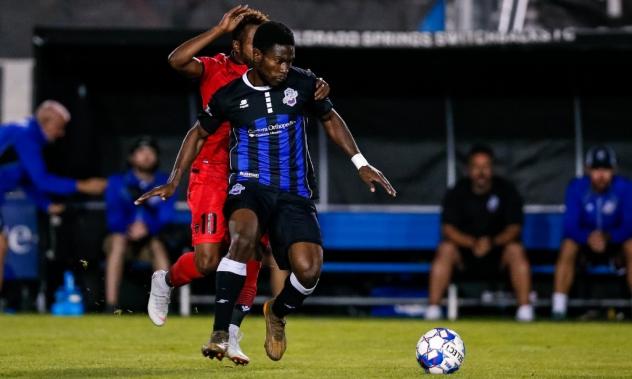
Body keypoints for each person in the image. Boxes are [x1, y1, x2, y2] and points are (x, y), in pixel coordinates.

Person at [137, 21, 395, 361]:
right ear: (254, 54)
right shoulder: (227, 90)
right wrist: (174, 178)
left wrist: (360, 161)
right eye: (279, 61)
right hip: (246, 185)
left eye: (290, 60)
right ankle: (220, 331)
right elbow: (197, 132)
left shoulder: (303, 83)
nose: (285, 67)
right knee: (232, 246)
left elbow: (330, 118)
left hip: (293, 193)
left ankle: (275, 313)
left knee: (309, 269)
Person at [143, 5, 329, 365]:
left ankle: (230, 332)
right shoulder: (216, 68)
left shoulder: (272, 73)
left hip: (254, 176)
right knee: (209, 259)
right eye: (252, 41)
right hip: (212, 171)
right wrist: (217, 28)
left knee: (252, 249)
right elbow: (177, 60)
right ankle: (166, 281)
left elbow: (306, 89)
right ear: (238, 47)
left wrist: (320, 86)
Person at [0, 100, 107, 293]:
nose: (61, 133)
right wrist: (82, 185)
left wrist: (46, 205)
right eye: (59, 127)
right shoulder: (25, 135)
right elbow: (41, 180)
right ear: (47, 122)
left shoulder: (23, 134)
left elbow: (26, 179)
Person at [426, 145, 533, 322]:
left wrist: (491, 243)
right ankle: (433, 309)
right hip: (465, 254)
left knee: (516, 250)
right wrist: (472, 243)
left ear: (492, 168)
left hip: (498, 253)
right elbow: (448, 229)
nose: (481, 172)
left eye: (486, 166)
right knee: (445, 249)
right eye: (476, 167)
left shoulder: (506, 190)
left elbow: (515, 228)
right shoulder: (457, 191)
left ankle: (525, 310)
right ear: (469, 169)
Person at [552, 146, 632, 320]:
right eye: (596, 169)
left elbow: (629, 224)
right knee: (568, 245)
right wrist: (588, 237)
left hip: (615, 244)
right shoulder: (577, 187)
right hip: (584, 246)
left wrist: (609, 237)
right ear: (588, 169)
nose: (601, 175)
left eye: (606, 169)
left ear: (614, 170)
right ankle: (558, 308)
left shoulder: (624, 188)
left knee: (631, 246)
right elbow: (570, 226)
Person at [103, 137, 175, 313]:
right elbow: (113, 217)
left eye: (151, 152)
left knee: (157, 246)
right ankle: (110, 305)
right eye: (141, 152)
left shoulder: (166, 183)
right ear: (131, 158)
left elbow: (166, 216)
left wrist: (147, 228)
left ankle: (163, 306)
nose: (146, 156)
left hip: (149, 241)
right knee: (118, 241)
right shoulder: (117, 182)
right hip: (122, 239)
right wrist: (130, 228)